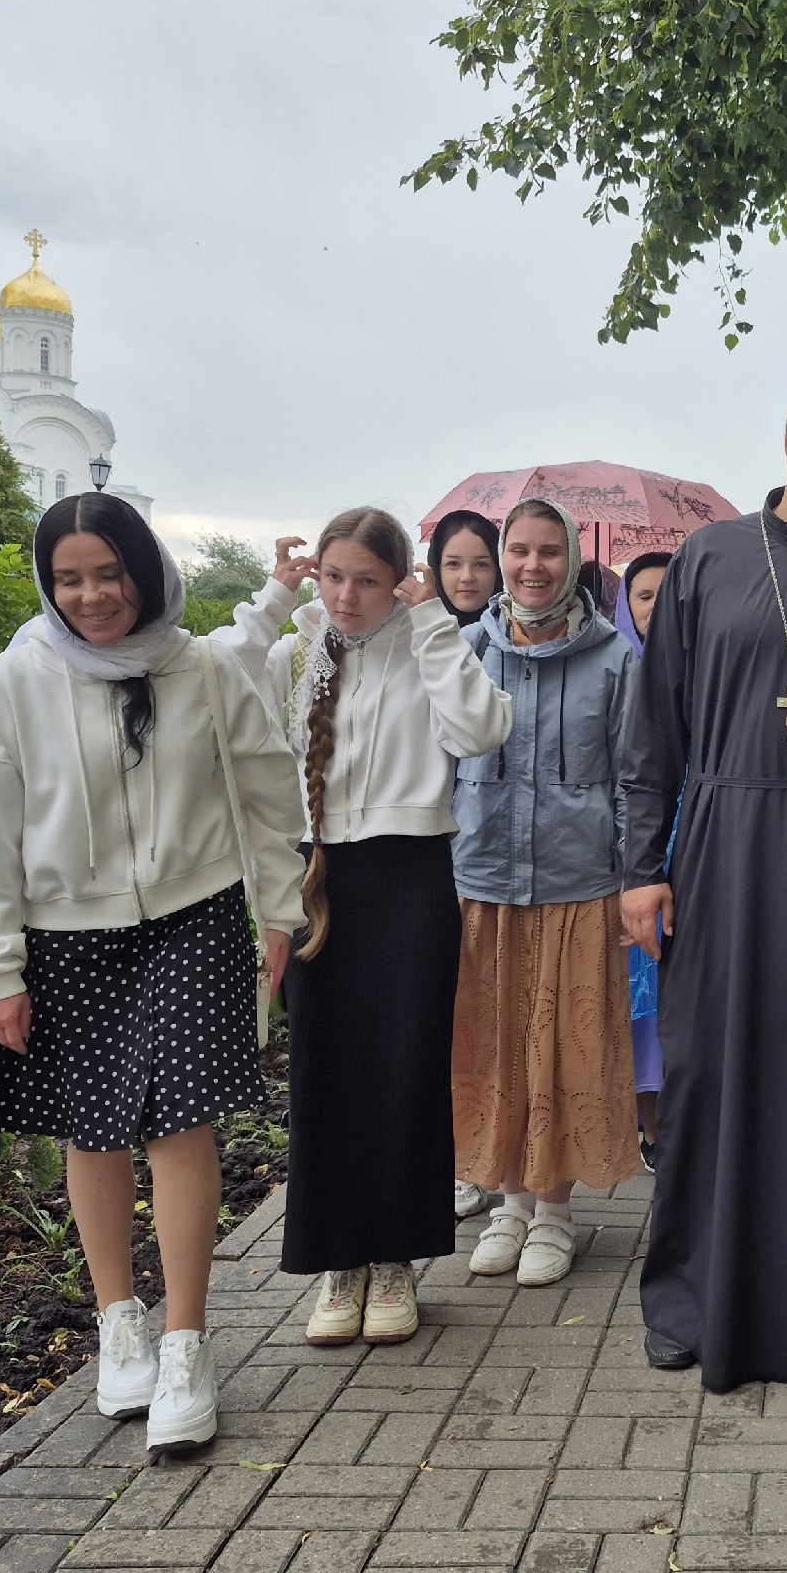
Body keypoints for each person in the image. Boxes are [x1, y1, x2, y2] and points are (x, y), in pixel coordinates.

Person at [0, 494, 305, 1452]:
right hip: (66, 929)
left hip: (193, 916)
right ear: (48, 584)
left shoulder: (203, 669)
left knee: (180, 1119)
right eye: (70, 578)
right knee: (93, 1122)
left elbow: (271, 794)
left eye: (110, 573)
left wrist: (280, 909)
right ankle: (121, 1326)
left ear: (143, 573)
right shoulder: (15, 680)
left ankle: (188, 1340)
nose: (92, 595)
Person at [621, 374, 787, 1386]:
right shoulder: (709, 558)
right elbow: (655, 726)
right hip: (728, 846)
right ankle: (692, 1295)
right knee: (711, 1073)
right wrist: (639, 868)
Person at [216, 510, 512, 1346]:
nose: (347, 596)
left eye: (368, 581)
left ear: (399, 582)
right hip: (317, 879)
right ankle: (340, 1263)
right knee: (326, 1072)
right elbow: (210, 684)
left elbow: (485, 729)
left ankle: (396, 1262)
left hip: (411, 873)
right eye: (333, 576)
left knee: (406, 1068)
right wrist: (273, 598)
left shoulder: (427, 643)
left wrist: (431, 624)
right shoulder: (296, 649)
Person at [452, 498, 643, 1282]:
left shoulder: (613, 659)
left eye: (550, 552)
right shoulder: (464, 652)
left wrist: (635, 877)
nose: (534, 567)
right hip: (483, 879)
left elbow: (635, 777)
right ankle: (509, 1203)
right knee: (494, 1042)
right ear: (502, 558)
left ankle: (554, 1212)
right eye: (519, 551)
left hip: (577, 882)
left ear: (572, 559)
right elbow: (435, 771)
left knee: (564, 1047)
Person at [426, 506, 506, 1221]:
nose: (468, 576)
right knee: (452, 1015)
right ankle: (458, 1159)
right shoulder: (421, 639)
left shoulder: (508, 641)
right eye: (454, 563)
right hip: (433, 849)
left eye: (481, 562)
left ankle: (495, 1160)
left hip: (497, 847)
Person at [613, 551, 673, 1164]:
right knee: (640, 992)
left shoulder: (703, 667)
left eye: (667, 593)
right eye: (644, 595)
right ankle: (650, 1129)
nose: (655, 607)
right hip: (633, 855)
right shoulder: (614, 667)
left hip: (693, 846)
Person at [428, 508, 502, 628]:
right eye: (453, 564)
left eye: (481, 565)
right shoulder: (413, 633)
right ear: (436, 569)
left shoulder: (525, 635)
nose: (467, 577)